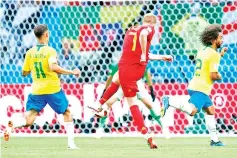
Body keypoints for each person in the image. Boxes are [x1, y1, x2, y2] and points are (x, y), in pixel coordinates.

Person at [89, 13, 173, 149]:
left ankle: (100, 106)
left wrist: (161, 57)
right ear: (152, 22)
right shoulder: (148, 29)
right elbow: (143, 38)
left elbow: (140, 53)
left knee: (142, 101)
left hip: (127, 73)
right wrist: (143, 54)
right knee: (133, 104)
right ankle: (147, 135)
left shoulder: (131, 30)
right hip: (132, 75)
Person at [3, 24, 80, 149]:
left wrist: (33, 67)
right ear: (46, 35)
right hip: (52, 89)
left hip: (37, 90)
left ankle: (13, 125)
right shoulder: (50, 51)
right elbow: (53, 67)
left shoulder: (30, 52)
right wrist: (72, 72)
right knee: (67, 112)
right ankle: (71, 144)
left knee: (29, 120)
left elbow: (24, 73)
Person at [162, 24, 228, 146]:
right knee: (192, 111)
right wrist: (220, 76)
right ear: (213, 40)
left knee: (210, 111)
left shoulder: (203, 51)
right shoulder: (214, 55)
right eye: (220, 38)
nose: (222, 40)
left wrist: (221, 54)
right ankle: (169, 100)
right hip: (201, 88)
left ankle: (214, 140)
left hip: (194, 85)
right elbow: (213, 75)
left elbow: (210, 60)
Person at [95, 64, 162, 138]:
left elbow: (148, 75)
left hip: (136, 85)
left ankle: (163, 127)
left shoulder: (140, 63)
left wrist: (151, 89)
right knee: (107, 104)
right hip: (122, 86)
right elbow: (110, 78)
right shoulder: (119, 65)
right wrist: (105, 90)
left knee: (149, 105)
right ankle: (100, 128)